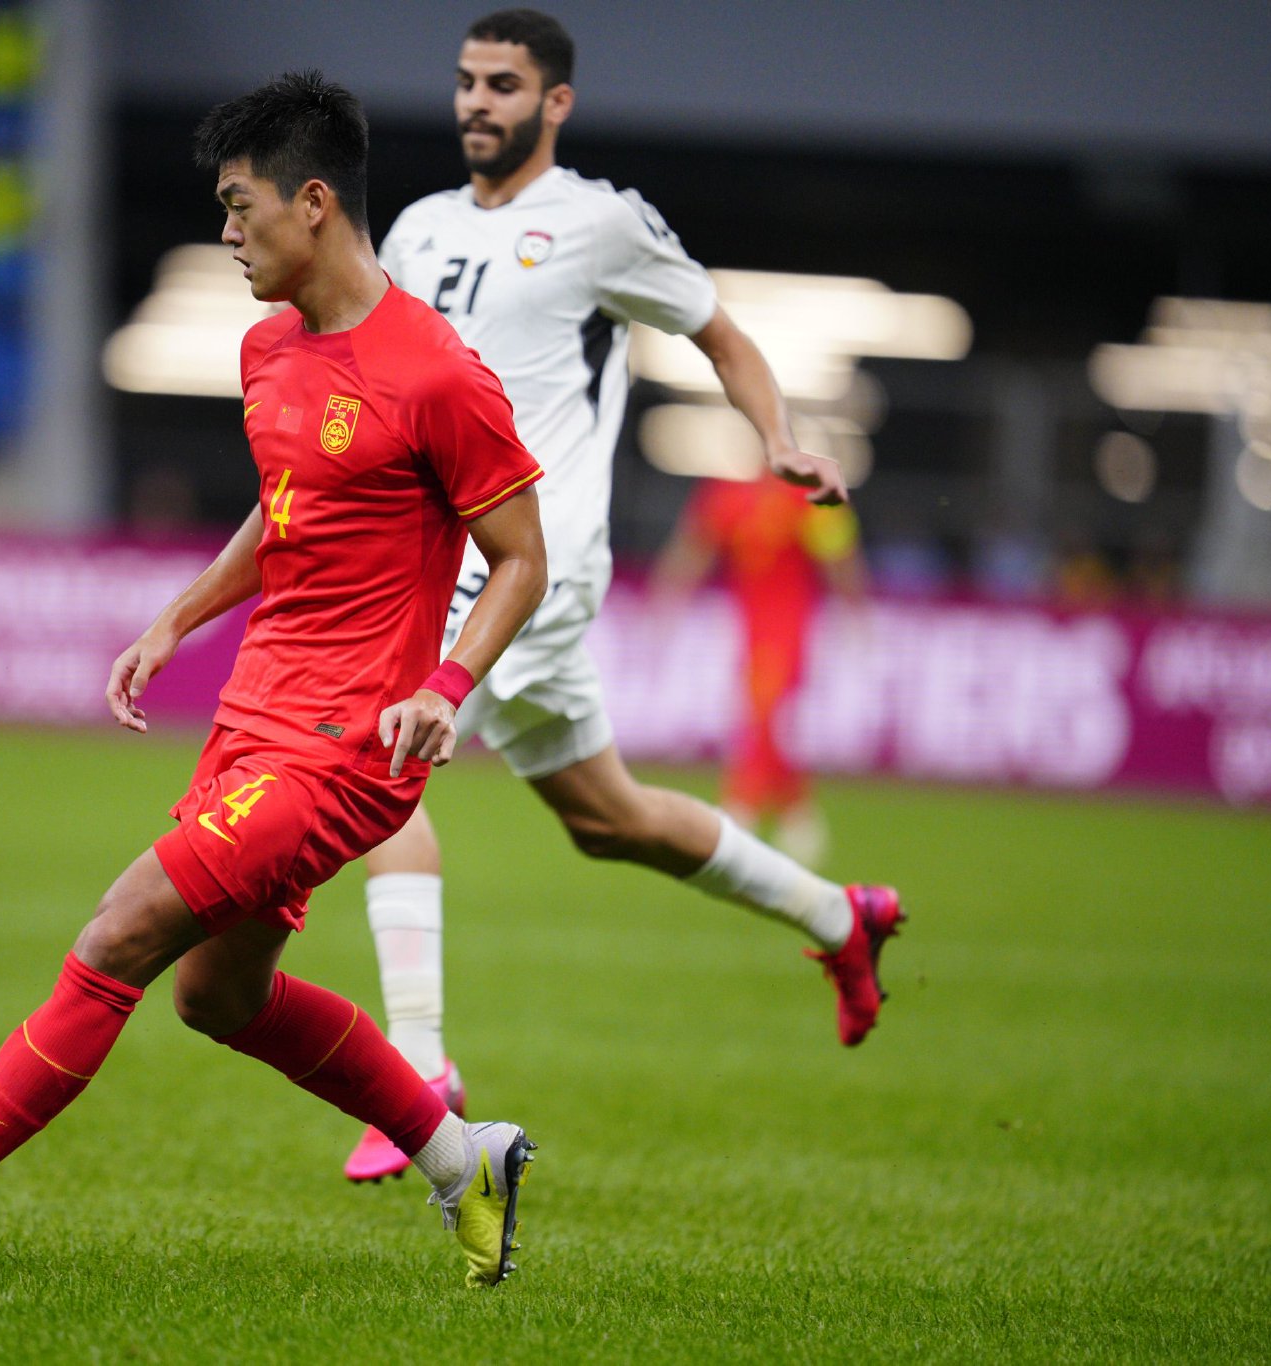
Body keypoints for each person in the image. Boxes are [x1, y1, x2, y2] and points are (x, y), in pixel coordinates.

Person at [0, 72, 551, 1289]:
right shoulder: (267, 350)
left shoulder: (437, 375)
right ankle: (458, 1158)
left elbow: (523, 562)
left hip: (345, 748)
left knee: (119, 933)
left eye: (239, 206)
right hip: (250, 719)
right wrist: (177, 615)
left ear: (312, 203)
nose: (225, 234)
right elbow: (288, 513)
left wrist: (445, 680)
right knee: (216, 997)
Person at [343, 9, 904, 1185]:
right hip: (440, 554)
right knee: (609, 819)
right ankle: (839, 917)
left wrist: (779, 437)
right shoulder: (416, 229)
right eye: (464, 82)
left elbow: (720, 334)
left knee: (375, 754)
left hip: (530, 559)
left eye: (503, 84)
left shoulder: (600, 223)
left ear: (555, 104)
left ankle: (420, 1062)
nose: (475, 103)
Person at [652, 474, 867, 868]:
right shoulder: (728, 494)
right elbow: (693, 548)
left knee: (765, 708)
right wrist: (666, 598)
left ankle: (741, 806)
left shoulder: (812, 495)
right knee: (759, 712)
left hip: (792, 623)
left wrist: (855, 609)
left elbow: (840, 556)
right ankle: (796, 813)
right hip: (749, 625)